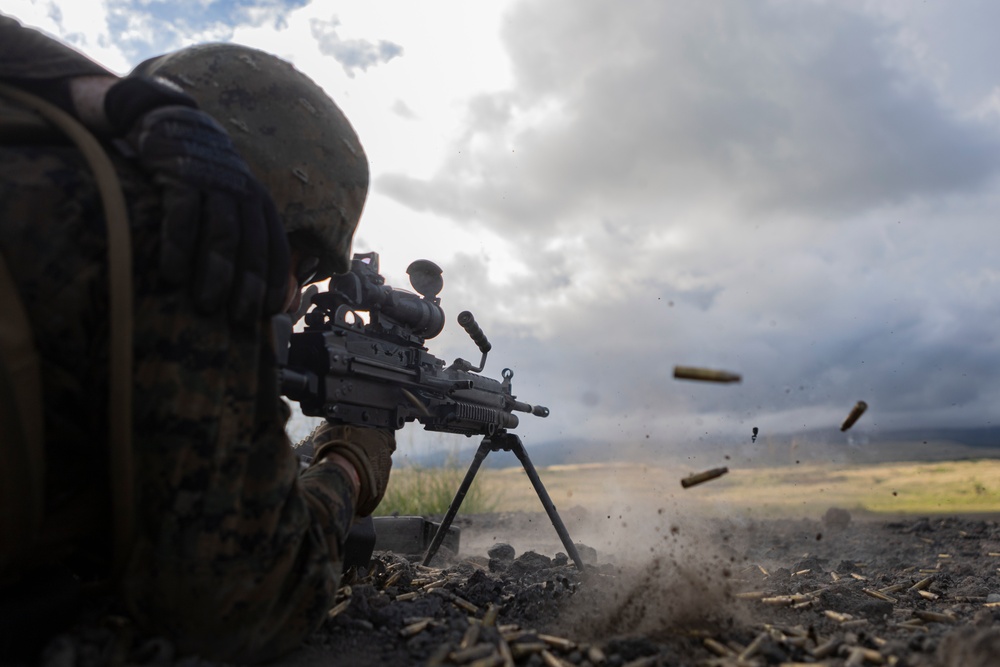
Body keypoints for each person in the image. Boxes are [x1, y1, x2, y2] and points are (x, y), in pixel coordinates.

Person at [0, 14, 395, 663]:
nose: (297, 296)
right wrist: (351, 464)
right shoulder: (191, 234)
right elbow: (243, 600)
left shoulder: (39, 154)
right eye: (308, 266)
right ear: (265, 208)